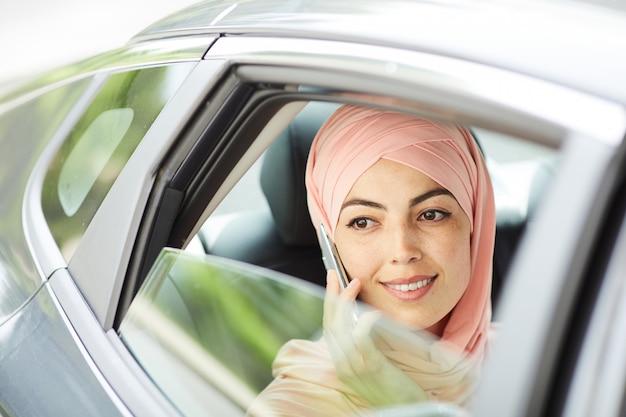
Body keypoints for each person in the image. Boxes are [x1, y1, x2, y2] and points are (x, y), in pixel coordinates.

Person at [247, 104, 496, 416]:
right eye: (363, 222)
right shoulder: (291, 407)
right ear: (330, 244)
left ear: (477, 222)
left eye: (431, 214)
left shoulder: (541, 353)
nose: (402, 250)